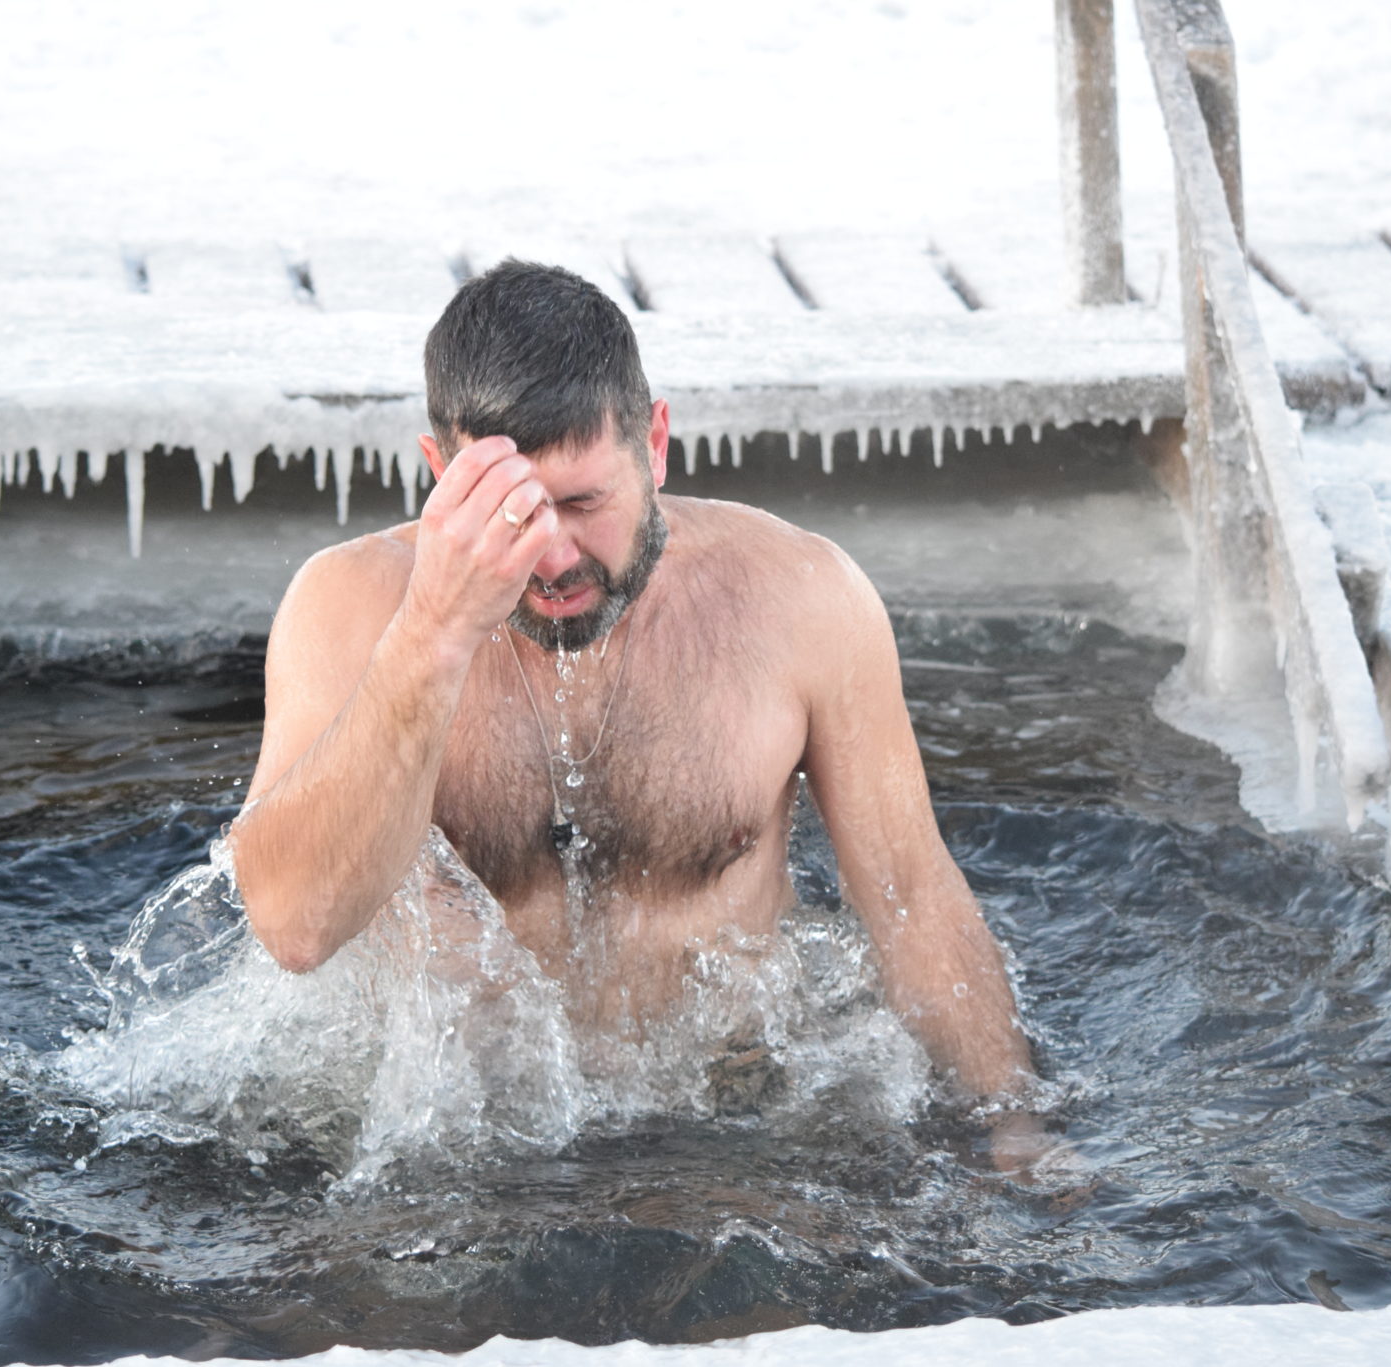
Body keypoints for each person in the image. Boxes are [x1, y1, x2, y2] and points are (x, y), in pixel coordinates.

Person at [229, 259, 1035, 1104]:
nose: (552, 555)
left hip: (725, 1112)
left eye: (582, 502)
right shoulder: (350, 608)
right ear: (441, 473)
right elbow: (294, 926)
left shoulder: (803, 599)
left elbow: (912, 893)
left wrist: (1017, 1131)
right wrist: (432, 636)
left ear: (653, 443)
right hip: (464, 1136)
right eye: (512, 509)